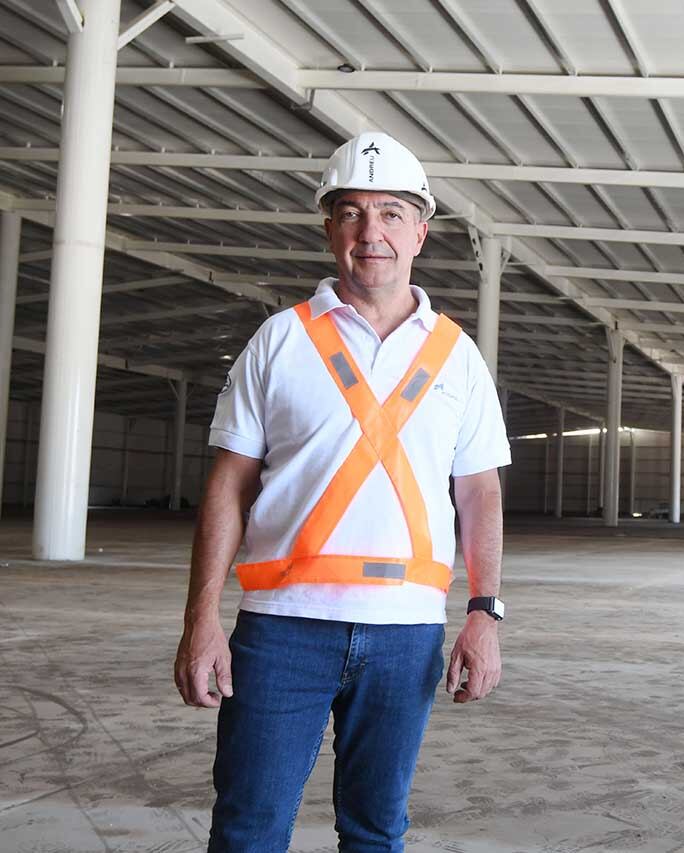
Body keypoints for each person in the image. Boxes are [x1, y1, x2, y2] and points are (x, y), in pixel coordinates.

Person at [173, 131, 510, 852]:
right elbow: (227, 487)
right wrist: (201, 618)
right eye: (351, 212)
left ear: (421, 230)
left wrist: (484, 613)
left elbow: (479, 491)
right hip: (279, 629)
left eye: (391, 212)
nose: (371, 232)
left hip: (406, 633)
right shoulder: (279, 341)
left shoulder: (457, 355)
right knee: (248, 828)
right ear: (329, 229)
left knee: (376, 830)